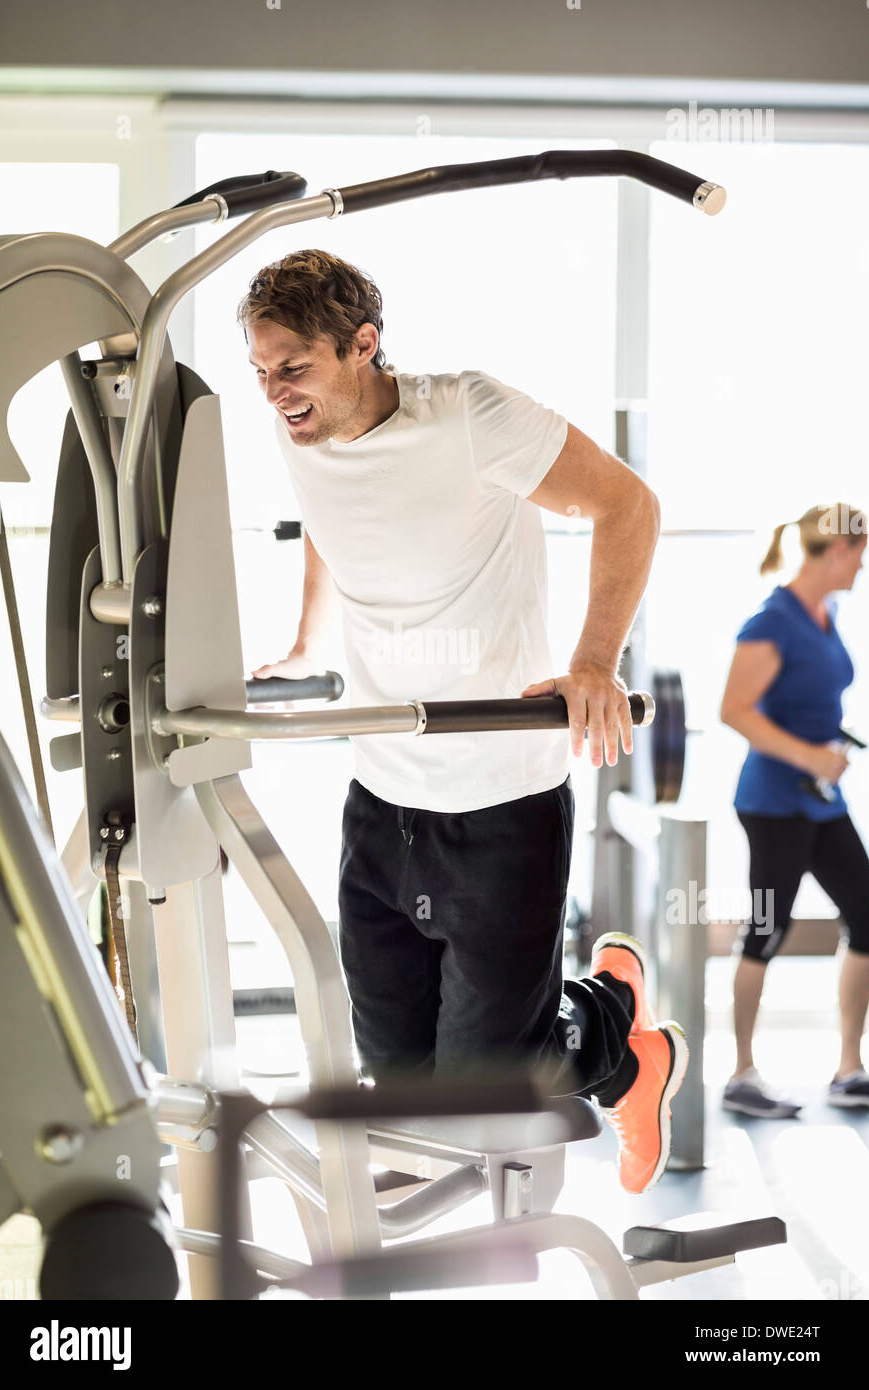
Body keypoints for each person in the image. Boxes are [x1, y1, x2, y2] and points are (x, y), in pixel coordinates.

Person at [243, 249, 687, 1193]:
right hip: (382, 796)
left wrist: (595, 663)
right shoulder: (304, 431)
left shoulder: (472, 415)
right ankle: (452, 1133)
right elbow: (334, 521)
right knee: (401, 1086)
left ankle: (617, 1033)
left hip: (502, 805)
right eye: (261, 370)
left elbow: (628, 506)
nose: (274, 392)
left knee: (483, 1090)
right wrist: (306, 640)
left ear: (363, 346)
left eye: (292, 367)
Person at [720, 504, 869, 1118]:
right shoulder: (771, 620)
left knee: (866, 912)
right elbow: (735, 710)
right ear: (835, 550)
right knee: (766, 931)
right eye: (860, 551)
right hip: (772, 805)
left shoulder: (825, 612)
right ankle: (741, 1074)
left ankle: (848, 1066)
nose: (863, 563)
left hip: (821, 802)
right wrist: (810, 755)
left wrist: (828, 747)